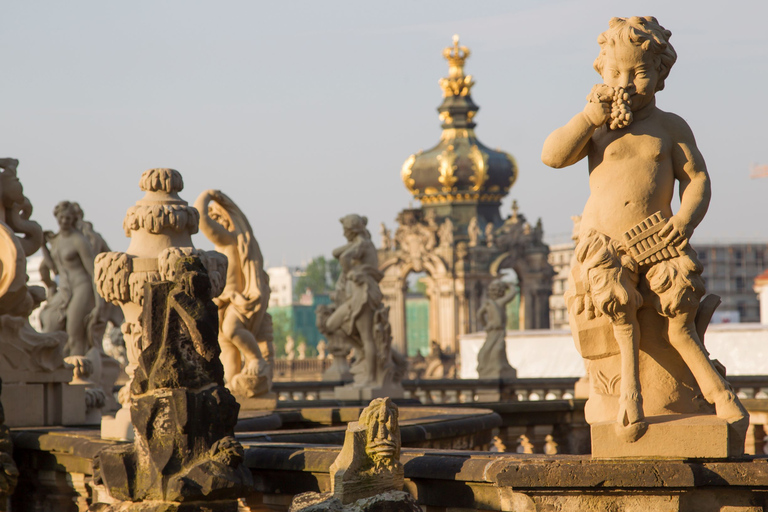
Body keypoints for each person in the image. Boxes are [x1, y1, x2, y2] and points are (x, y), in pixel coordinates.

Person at [541, 16, 746, 438]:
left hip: (658, 236)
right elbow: (553, 156)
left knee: (680, 313)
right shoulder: (598, 126)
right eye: (615, 73)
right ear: (602, 72)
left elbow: (697, 179)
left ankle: (716, 392)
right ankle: (630, 397)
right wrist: (587, 117)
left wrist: (686, 220)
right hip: (606, 241)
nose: (627, 83)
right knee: (621, 313)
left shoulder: (670, 127)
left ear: (660, 73)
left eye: (638, 73)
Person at [195, 189, 273, 386]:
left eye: (216, 219)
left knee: (231, 330)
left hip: (238, 301)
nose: (214, 224)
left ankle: (256, 359)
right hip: (224, 303)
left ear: (225, 220)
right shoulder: (227, 245)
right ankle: (230, 385)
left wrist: (207, 196)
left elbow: (201, 220)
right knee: (226, 345)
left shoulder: (229, 240)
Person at [40, 201, 101, 357]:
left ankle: (78, 375)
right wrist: (42, 246)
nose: (64, 221)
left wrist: (99, 303)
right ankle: (56, 371)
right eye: (61, 217)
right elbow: (52, 267)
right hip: (65, 289)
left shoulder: (79, 240)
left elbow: (94, 272)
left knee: (74, 333)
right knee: (49, 323)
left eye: (68, 218)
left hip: (82, 287)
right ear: (57, 218)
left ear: (73, 219)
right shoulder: (56, 240)